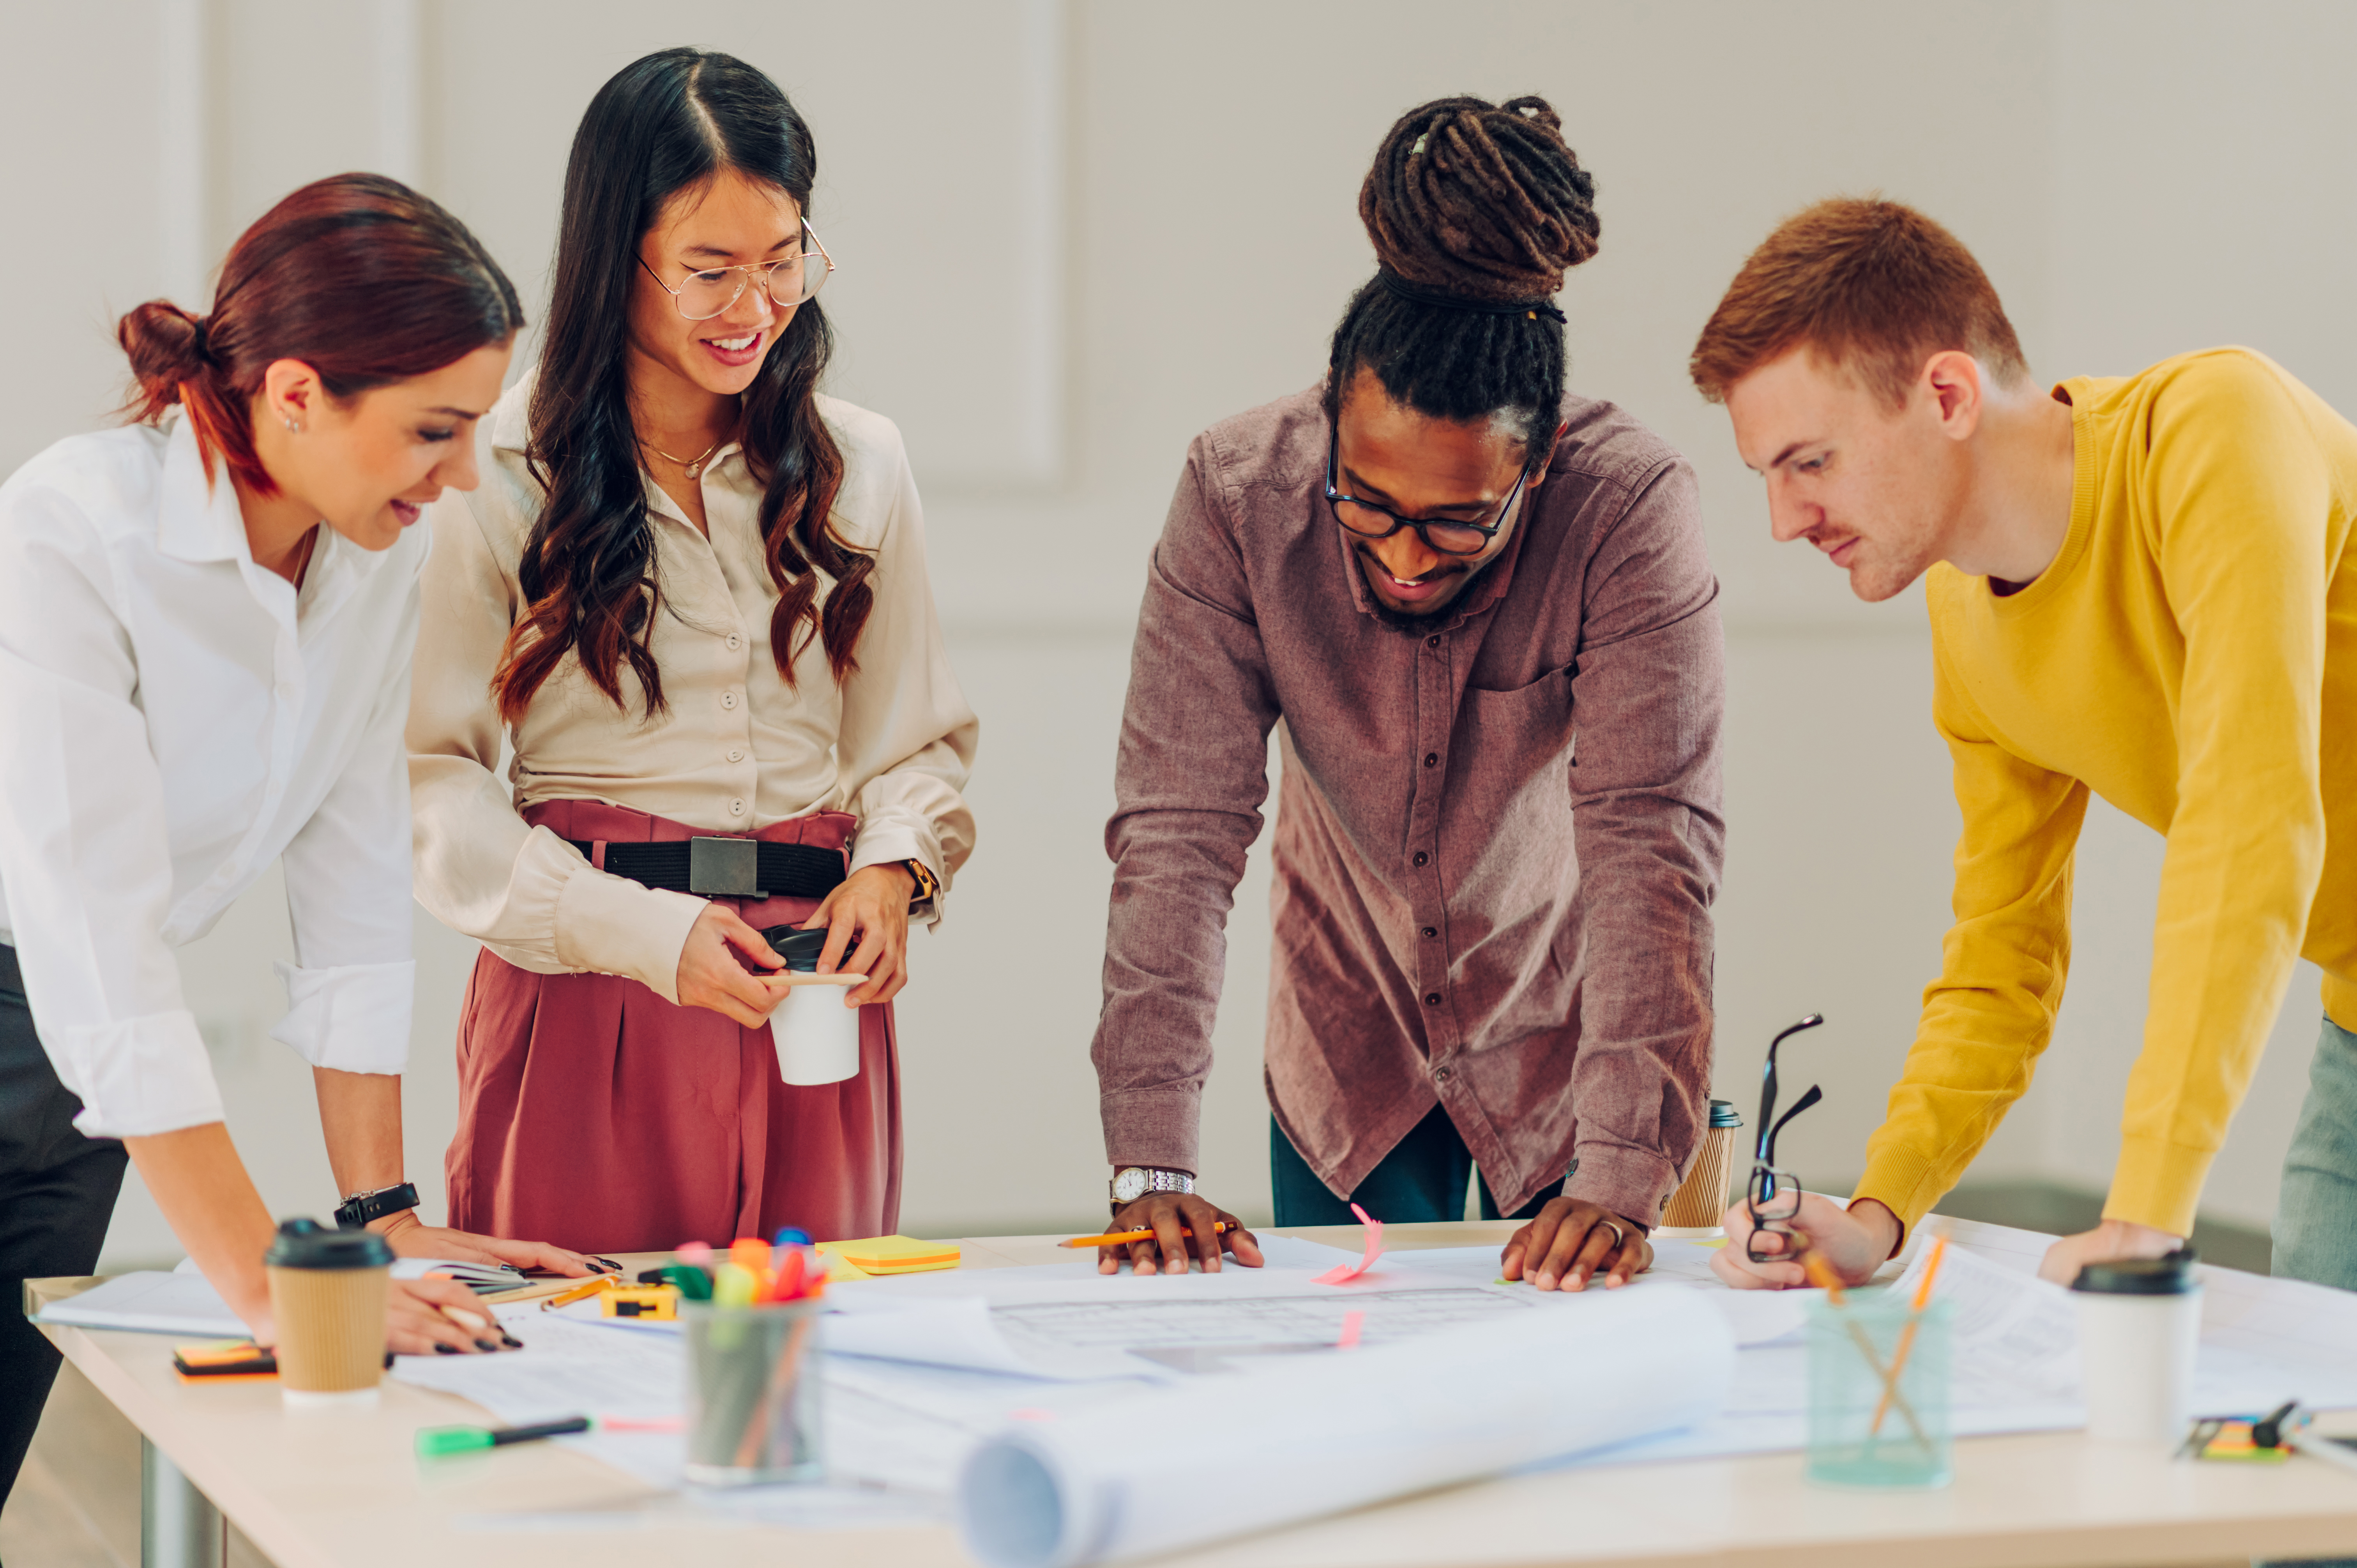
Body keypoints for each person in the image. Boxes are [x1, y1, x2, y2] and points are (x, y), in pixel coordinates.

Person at [0, 173, 601, 1506]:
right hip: (48, 1001)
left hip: (77, 1078)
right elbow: (95, 935)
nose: (455, 482)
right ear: (293, 394)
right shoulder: (73, 527)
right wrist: (280, 1287)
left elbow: (352, 875)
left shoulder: (373, 561)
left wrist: (374, 1223)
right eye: (432, 434)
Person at [1087, 95, 1725, 1292]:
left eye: (1457, 525)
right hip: (1348, 1053)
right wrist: (1152, 1162)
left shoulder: (1630, 510)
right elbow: (1179, 833)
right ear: (1330, 422)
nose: (1405, 556)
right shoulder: (1236, 495)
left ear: (1537, 468)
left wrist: (1626, 1165)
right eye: (1367, 507)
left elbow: (1655, 843)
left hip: (1570, 1049)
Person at [1689, 198, 2357, 1291]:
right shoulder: (1966, 626)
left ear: (1947, 394)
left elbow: (2254, 822)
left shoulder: (2215, 431)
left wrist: (2143, 1215)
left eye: (1809, 461)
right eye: (1767, 474)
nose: (1784, 518)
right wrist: (1881, 1211)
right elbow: (2003, 961)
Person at [408, 49, 976, 1254]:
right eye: (710, 271)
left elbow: (911, 741)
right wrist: (642, 938)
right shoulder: (499, 467)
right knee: (573, 1368)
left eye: (784, 264)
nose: (755, 308)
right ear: (617, 262)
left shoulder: (858, 462)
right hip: (590, 988)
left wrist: (894, 870)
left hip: (814, 992)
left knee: (814, 1373)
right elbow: (434, 785)